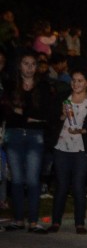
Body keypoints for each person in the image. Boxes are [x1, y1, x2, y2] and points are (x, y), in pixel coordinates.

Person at [36, 69, 87, 234]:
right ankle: (56, 221)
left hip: (82, 148)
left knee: (78, 185)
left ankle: (79, 223)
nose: (76, 84)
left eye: (80, 80)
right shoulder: (63, 98)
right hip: (62, 146)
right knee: (61, 185)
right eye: (74, 80)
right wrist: (60, 117)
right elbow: (49, 118)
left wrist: (84, 131)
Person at [1, 50, 56, 231]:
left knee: (33, 179)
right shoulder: (10, 85)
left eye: (33, 64)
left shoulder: (42, 87)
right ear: (19, 65)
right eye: (26, 63)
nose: (30, 68)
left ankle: (33, 221)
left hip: (35, 136)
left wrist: (21, 113)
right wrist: (28, 117)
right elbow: (7, 111)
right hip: (14, 134)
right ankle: (18, 219)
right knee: (16, 179)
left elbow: (46, 114)